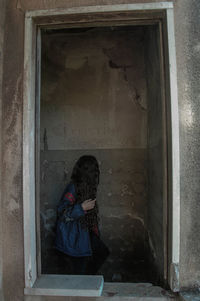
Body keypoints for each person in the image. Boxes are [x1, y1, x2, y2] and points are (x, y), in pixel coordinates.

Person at [55, 155, 109, 275]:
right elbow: (61, 212)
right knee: (79, 274)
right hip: (73, 240)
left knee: (102, 253)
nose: (96, 172)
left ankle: (87, 281)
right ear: (87, 171)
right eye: (94, 169)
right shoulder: (73, 187)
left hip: (84, 235)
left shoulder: (88, 187)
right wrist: (81, 208)